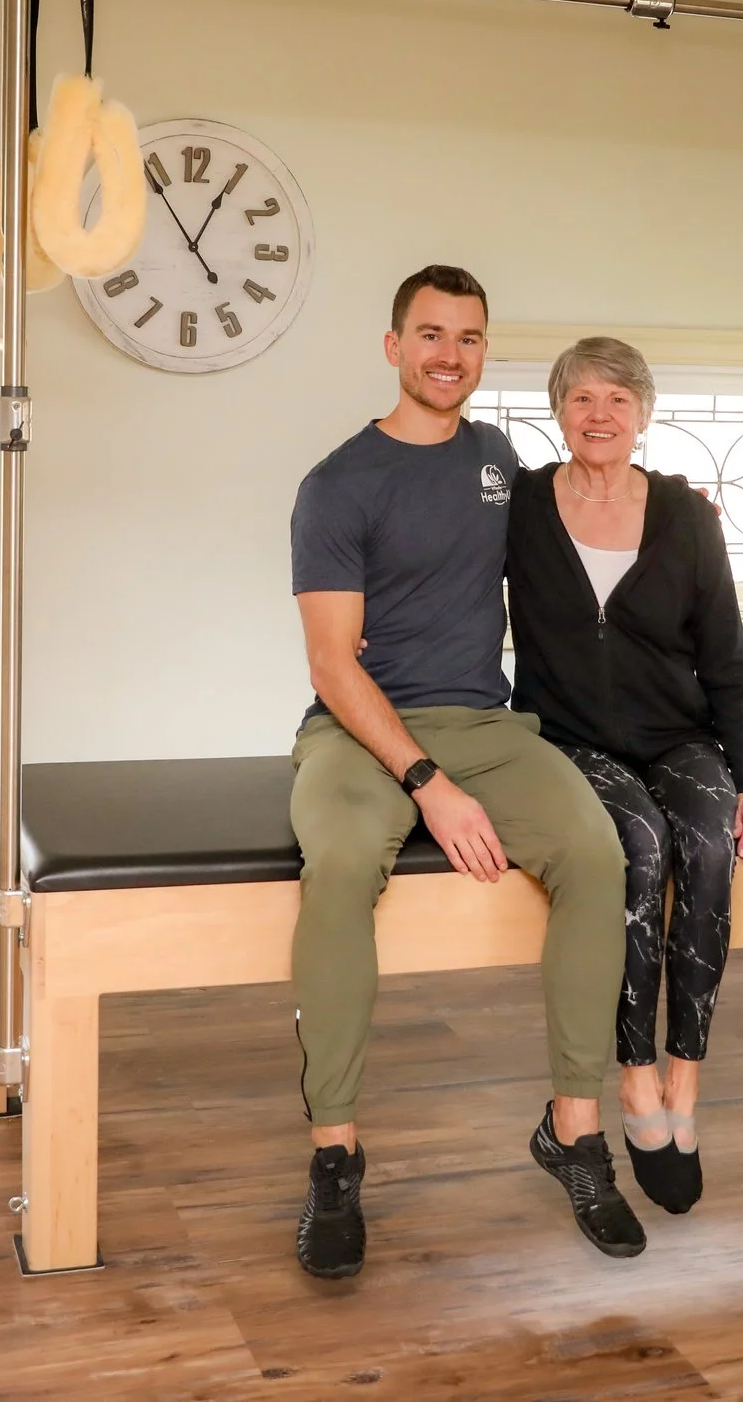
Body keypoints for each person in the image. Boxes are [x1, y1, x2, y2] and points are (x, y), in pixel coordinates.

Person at [285, 266, 642, 1279]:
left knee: (593, 850)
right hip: (360, 729)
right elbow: (330, 662)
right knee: (347, 858)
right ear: (392, 345)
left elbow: (580, 512)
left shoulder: (497, 455)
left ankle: (574, 1129)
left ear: (484, 353)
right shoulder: (338, 482)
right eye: (431, 333)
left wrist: (656, 500)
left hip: (486, 722)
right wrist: (426, 782)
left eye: (470, 337)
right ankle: (334, 1152)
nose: (450, 353)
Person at [504, 336, 743, 1216]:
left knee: (706, 844)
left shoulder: (686, 517)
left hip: (679, 734)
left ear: (644, 415)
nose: (600, 415)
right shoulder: (519, 506)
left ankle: (686, 1083)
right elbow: (439, 572)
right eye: (582, 397)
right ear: (559, 410)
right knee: (638, 843)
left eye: (618, 400)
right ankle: (633, 1080)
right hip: (569, 737)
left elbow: (728, 658)